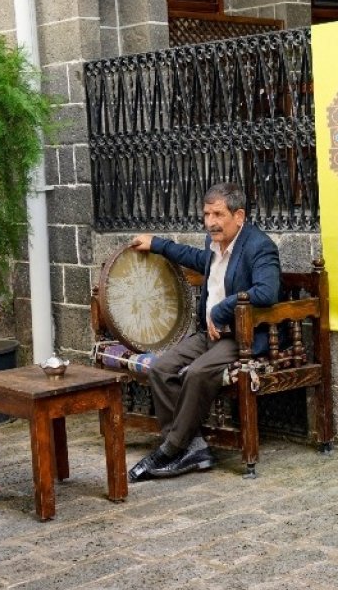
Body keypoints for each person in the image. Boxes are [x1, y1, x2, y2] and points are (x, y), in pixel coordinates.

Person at [126, 182, 280, 482]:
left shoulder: (259, 246)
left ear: (239, 216)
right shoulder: (215, 246)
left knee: (196, 373)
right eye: (207, 214)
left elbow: (267, 291)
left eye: (218, 214)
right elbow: (193, 257)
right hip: (210, 335)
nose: (211, 222)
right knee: (162, 368)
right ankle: (192, 446)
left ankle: (169, 450)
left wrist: (222, 309)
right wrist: (156, 243)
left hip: (242, 337)